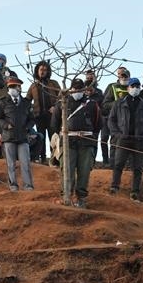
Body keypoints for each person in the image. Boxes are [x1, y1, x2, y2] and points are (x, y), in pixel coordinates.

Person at [51, 78, 102, 207]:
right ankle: (66, 196)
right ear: (71, 89)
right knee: (67, 170)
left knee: (84, 171)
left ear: (84, 89)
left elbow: (98, 124)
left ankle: (81, 198)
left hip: (86, 142)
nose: (77, 91)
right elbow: (55, 123)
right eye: (75, 88)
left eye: (80, 88)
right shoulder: (62, 103)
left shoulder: (92, 104)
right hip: (68, 142)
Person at [108, 77, 143, 201]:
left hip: (139, 140)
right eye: (133, 86)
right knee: (118, 163)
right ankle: (114, 186)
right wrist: (117, 134)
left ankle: (135, 191)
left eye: (137, 86)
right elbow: (111, 120)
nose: (135, 88)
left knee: (138, 167)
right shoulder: (119, 103)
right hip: (123, 138)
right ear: (128, 87)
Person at [0, 77, 35, 191]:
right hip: (8, 137)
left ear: (20, 87)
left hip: (23, 137)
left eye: (15, 86)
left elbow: (32, 119)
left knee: (25, 162)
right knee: (10, 163)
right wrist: (6, 125)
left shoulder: (26, 103)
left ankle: (28, 185)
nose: (13, 89)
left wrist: (27, 127)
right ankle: (13, 185)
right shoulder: (2, 102)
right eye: (11, 87)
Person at [25, 60, 61, 164]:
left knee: (53, 137)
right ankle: (43, 159)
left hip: (52, 116)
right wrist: (31, 108)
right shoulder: (33, 85)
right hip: (39, 116)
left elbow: (61, 97)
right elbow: (27, 100)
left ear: (48, 71)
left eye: (45, 70)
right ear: (37, 71)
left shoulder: (53, 83)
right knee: (41, 137)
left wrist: (55, 106)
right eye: (41, 69)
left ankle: (54, 158)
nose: (43, 72)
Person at [101, 67, 130, 167]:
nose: (123, 78)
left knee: (127, 142)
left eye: (125, 76)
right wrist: (117, 103)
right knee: (113, 140)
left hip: (129, 121)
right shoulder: (112, 87)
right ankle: (111, 163)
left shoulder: (133, 87)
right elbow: (105, 104)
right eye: (121, 75)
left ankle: (126, 164)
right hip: (114, 119)